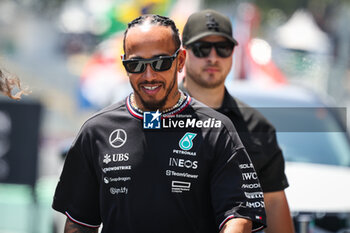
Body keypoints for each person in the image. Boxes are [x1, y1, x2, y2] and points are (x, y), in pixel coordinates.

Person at [52, 14, 267, 233]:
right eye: (136, 64)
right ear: (125, 64)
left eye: (161, 63)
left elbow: (238, 218)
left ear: (180, 61)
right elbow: (79, 223)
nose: (149, 75)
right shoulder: (96, 131)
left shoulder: (216, 130)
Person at [180, 9, 295, 233]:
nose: (213, 57)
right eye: (202, 48)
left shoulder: (258, 127)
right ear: (183, 54)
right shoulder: (157, 117)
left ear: (233, 52)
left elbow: (273, 202)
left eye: (222, 48)